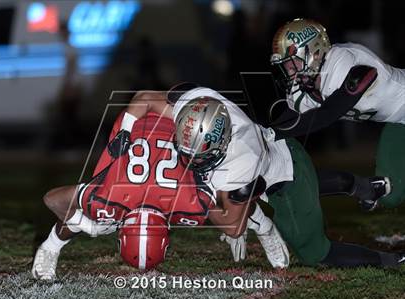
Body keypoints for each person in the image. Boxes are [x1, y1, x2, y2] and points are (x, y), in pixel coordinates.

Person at [121, 84, 405, 268]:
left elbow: (233, 226)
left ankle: (391, 260)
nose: (189, 159)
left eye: (198, 154)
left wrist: (194, 188)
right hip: (278, 148)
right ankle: (365, 187)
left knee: (315, 253)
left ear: (221, 144)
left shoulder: (240, 161)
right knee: (308, 186)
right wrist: (125, 131)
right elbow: (145, 98)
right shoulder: (197, 105)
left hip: (285, 180)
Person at [31, 110, 285, 280]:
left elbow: (53, 200)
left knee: (232, 204)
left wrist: (89, 225)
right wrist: (86, 222)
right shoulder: (180, 202)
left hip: (179, 125)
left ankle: (264, 227)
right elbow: (53, 200)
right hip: (150, 134)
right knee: (90, 210)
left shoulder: (182, 202)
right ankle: (50, 247)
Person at [269, 18, 404, 210]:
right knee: (392, 196)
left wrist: (272, 134)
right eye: (286, 66)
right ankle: (374, 188)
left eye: (293, 64)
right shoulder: (304, 89)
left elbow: (329, 114)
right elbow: (289, 122)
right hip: (398, 123)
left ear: (314, 52)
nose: (289, 72)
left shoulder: (342, 61)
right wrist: (263, 135)